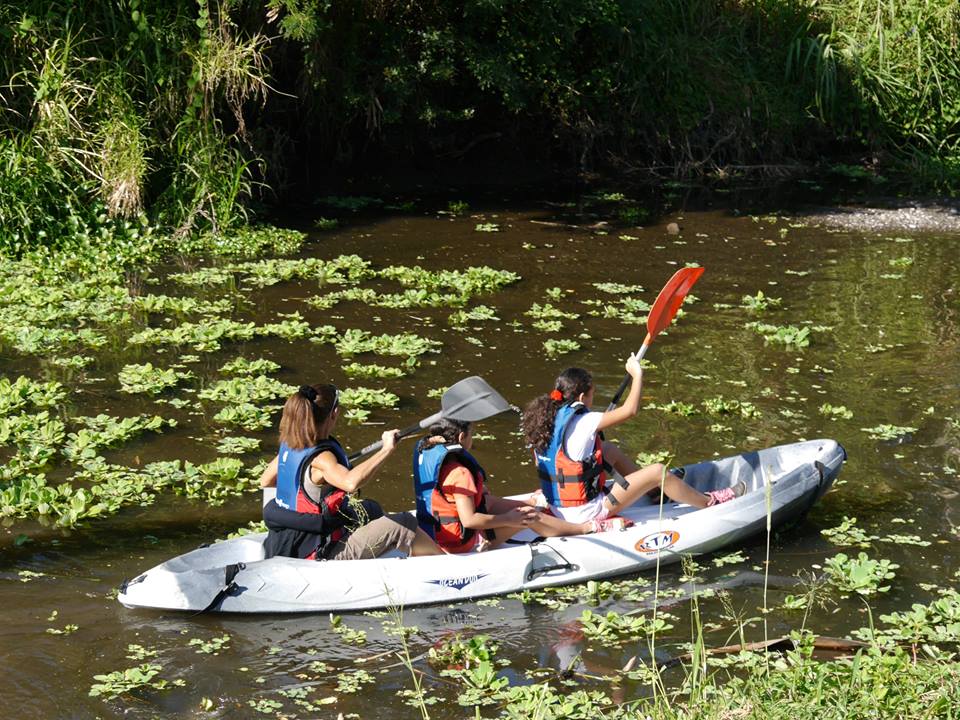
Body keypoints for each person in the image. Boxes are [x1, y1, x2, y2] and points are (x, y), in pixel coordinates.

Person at [521, 356, 744, 526]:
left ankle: (654, 493)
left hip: (558, 507)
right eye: (592, 395)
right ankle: (710, 502)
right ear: (581, 398)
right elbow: (630, 410)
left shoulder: (544, 421)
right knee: (657, 471)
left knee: (607, 449)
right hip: (585, 513)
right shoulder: (586, 421)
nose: (592, 400)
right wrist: (637, 375)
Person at [259, 384, 443, 560]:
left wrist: (311, 484)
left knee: (371, 509)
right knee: (404, 524)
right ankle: (449, 570)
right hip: (318, 551)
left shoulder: (290, 444)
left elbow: (266, 481)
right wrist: (386, 449)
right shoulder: (322, 459)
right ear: (334, 414)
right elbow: (351, 483)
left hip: (289, 540)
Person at [413, 418, 621, 554]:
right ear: (461, 437)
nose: (472, 438)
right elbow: (468, 520)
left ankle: (535, 501)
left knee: (487, 499)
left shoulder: (431, 453)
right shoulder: (460, 473)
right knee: (529, 516)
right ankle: (586, 527)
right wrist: (509, 520)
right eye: (472, 433)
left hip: (436, 534)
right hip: (462, 544)